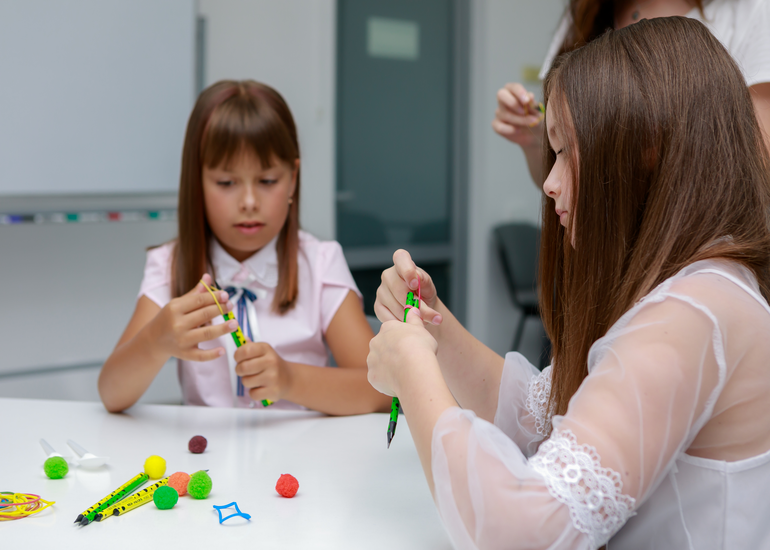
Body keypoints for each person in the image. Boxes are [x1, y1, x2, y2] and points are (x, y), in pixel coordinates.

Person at [367, 18, 770, 549]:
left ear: (645, 150)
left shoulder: (691, 313)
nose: (550, 184)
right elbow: (543, 413)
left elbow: (522, 532)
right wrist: (434, 330)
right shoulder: (699, 287)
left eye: (564, 151)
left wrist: (413, 370)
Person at [99, 80, 389, 415]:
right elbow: (111, 394)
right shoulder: (170, 265)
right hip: (209, 449)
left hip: (302, 448)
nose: (249, 202)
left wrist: (291, 380)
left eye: (267, 181)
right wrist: (154, 341)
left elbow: (382, 391)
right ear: (197, 182)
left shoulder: (320, 262)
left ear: (293, 178)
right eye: (226, 182)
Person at [493, 0, 770, 187]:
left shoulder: (752, 11)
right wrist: (538, 141)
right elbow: (561, 180)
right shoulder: (585, 14)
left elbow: (755, 167)